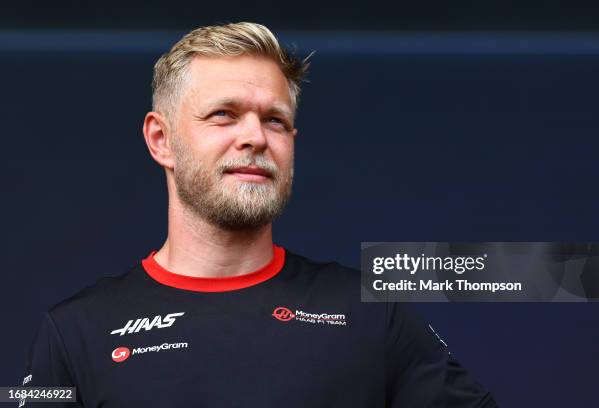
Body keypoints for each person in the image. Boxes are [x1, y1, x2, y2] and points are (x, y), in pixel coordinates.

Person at [21, 22, 497, 407]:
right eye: (224, 114)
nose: (255, 137)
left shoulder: (373, 313)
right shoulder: (72, 331)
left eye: (275, 120)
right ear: (161, 140)